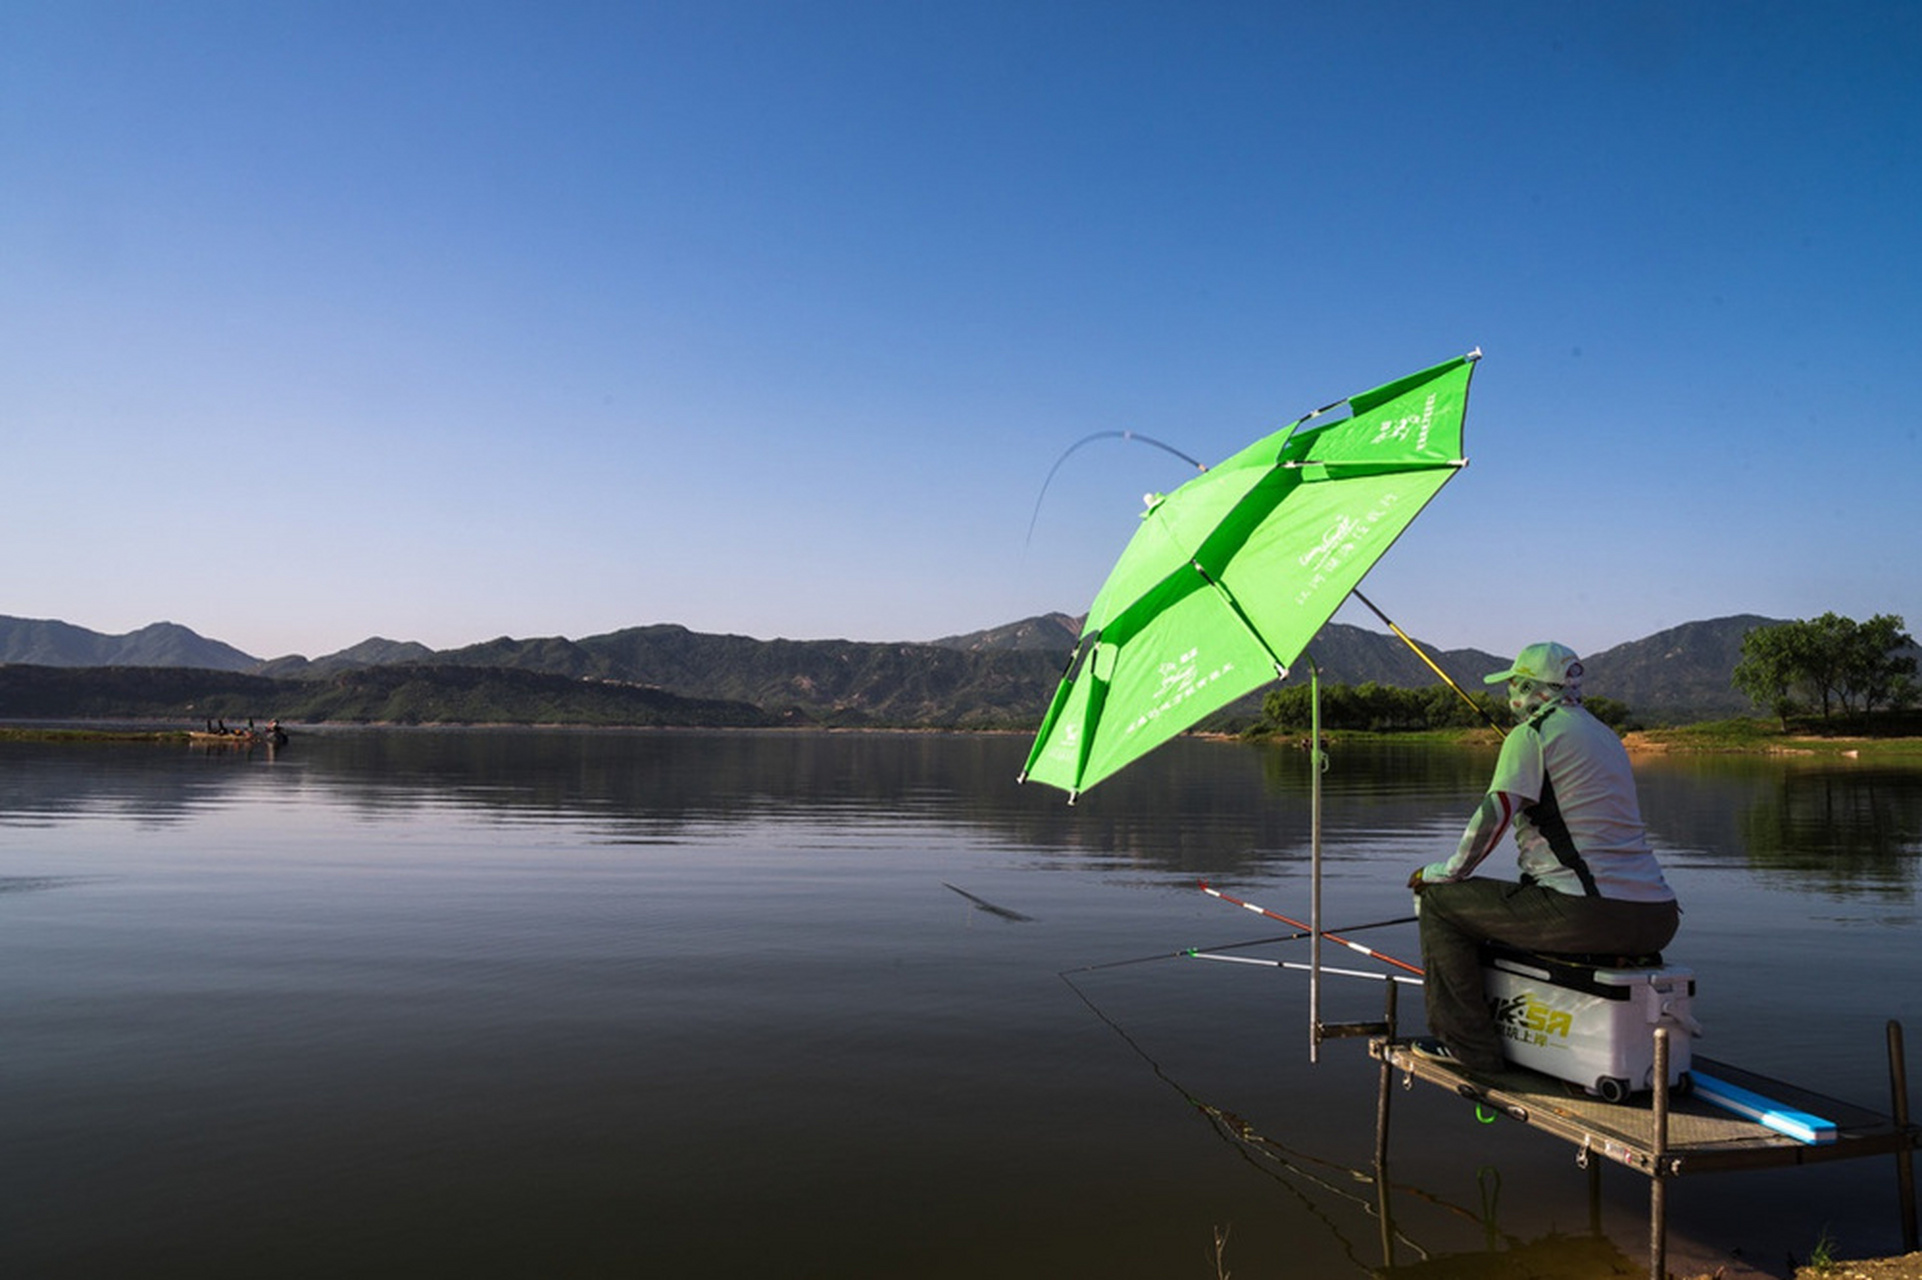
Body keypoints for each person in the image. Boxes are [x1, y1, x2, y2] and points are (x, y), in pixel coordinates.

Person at [1408, 642, 1679, 1073]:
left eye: (1514, 684)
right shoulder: (1605, 736)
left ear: (1534, 688)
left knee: (1441, 903)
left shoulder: (1531, 734)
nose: (1510, 693)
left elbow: (1494, 815)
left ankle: (1469, 1049)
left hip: (1589, 914)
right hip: (1657, 919)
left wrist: (1443, 873)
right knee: (1517, 899)